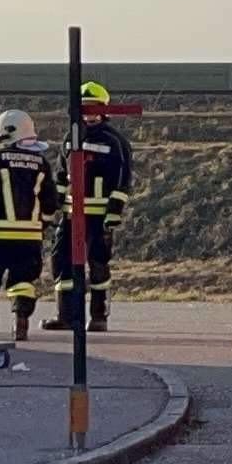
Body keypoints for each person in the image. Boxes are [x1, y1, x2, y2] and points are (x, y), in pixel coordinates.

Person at [0, 108, 64, 343]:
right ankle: (21, 318)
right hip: (29, 237)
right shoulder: (41, 162)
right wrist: (43, 224)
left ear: (8, 133)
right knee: (23, 280)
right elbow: (50, 201)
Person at [45, 80, 138, 334]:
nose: (88, 113)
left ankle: (99, 317)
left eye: (93, 107)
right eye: (84, 107)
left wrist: (114, 212)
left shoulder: (114, 141)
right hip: (71, 214)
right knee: (61, 263)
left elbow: (122, 179)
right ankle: (67, 316)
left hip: (99, 216)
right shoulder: (70, 138)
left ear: (104, 110)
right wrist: (55, 209)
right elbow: (62, 177)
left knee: (98, 264)